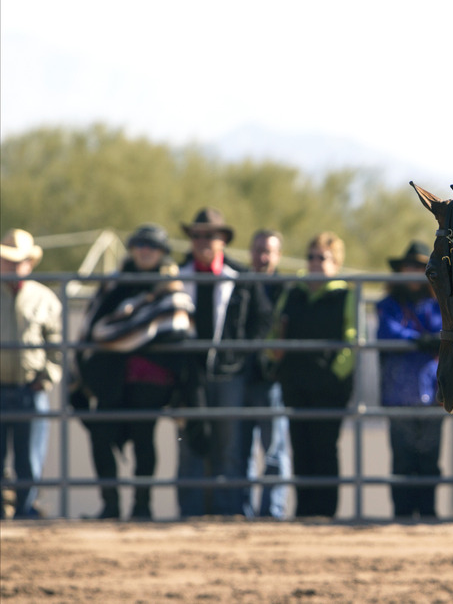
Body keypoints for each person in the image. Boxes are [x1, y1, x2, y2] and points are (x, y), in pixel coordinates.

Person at [75, 224, 195, 520]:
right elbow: (96, 327)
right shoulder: (115, 282)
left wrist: (137, 329)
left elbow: (176, 327)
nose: (145, 251)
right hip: (110, 378)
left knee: (144, 440)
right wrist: (132, 332)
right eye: (139, 245)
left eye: (152, 246)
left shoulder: (170, 287)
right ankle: (111, 505)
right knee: (100, 437)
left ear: (162, 252)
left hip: (150, 379)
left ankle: (142, 506)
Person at [176, 208, 272, 517]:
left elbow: (263, 319)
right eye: (197, 235)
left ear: (223, 240)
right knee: (191, 443)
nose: (203, 241)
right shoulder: (175, 277)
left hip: (230, 376)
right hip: (189, 377)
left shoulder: (240, 277)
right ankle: (189, 513)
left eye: (210, 235)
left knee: (230, 446)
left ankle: (227, 513)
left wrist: (238, 356)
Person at [268, 232, 357, 517]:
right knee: (300, 448)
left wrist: (332, 377)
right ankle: (304, 511)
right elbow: (275, 333)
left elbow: (352, 341)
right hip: (295, 383)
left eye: (322, 257)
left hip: (329, 388)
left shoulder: (346, 295)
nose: (315, 262)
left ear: (336, 262)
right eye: (311, 256)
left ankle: (325, 513)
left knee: (324, 449)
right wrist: (274, 356)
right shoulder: (293, 293)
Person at [377, 241, 443, 519]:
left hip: (431, 391)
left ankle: (427, 513)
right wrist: (421, 340)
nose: (414, 271)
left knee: (429, 458)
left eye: (420, 266)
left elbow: (444, 333)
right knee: (403, 458)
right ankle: (402, 514)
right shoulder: (388, 304)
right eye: (410, 266)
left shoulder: (438, 304)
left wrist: (423, 340)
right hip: (400, 393)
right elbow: (386, 332)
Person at [0, 229, 62, 518]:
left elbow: (57, 345)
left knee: (30, 460)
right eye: (8, 260)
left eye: (19, 260)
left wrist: (46, 376)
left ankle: (25, 512)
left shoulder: (44, 298)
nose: (13, 266)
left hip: (30, 388)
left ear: (29, 263)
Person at [241, 229, 292, 519]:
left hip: (272, 380)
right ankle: (244, 511)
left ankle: (272, 513)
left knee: (274, 450)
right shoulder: (240, 285)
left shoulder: (285, 288)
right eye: (258, 249)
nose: (262, 256)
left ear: (278, 255)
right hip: (241, 376)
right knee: (241, 451)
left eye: (268, 251)